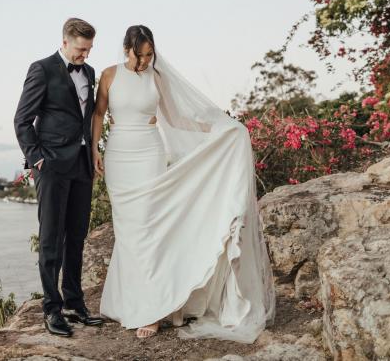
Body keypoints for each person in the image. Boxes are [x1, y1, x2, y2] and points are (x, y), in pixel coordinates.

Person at [92, 25, 275, 341]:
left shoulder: (156, 77)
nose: (146, 61)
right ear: (126, 50)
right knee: (128, 230)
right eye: (140, 55)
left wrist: (218, 130)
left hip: (149, 154)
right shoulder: (109, 75)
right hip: (119, 155)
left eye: (150, 54)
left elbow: (174, 119)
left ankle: (155, 309)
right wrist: (95, 148)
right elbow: (98, 114)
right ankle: (128, 302)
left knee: (148, 229)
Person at [13, 17, 105, 337]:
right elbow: (22, 120)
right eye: (81, 49)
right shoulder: (41, 69)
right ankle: (52, 309)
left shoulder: (89, 73)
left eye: (89, 50)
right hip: (51, 165)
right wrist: (37, 160)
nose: (85, 56)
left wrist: (93, 150)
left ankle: (74, 303)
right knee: (51, 240)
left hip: (81, 164)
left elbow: (88, 116)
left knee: (77, 236)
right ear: (65, 42)